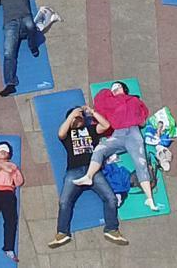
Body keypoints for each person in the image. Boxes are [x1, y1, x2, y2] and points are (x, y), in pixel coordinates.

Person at [72, 81, 158, 212]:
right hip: (118, 134)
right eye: (113, 88)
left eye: (118, 87)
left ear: (124, 89)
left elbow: (142, 119)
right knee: (100, 149)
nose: (115, 89)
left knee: (141, 162)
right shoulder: (109, 101)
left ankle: (150, 199)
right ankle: (88, 176)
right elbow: (103, 110)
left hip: (133, 133)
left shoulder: (133, 100)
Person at [49, 106, 128, 248]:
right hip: (74, 171)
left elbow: (106, 125)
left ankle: (111, 229)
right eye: (76, 117)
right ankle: (62, 233)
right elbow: (60, 134)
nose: (79, 119)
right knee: (64, 202)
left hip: (93, 170)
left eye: (81, 117)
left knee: (110, 198)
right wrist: (72, 114)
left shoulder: (90, 130)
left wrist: (92, 113)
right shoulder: (67, 134)